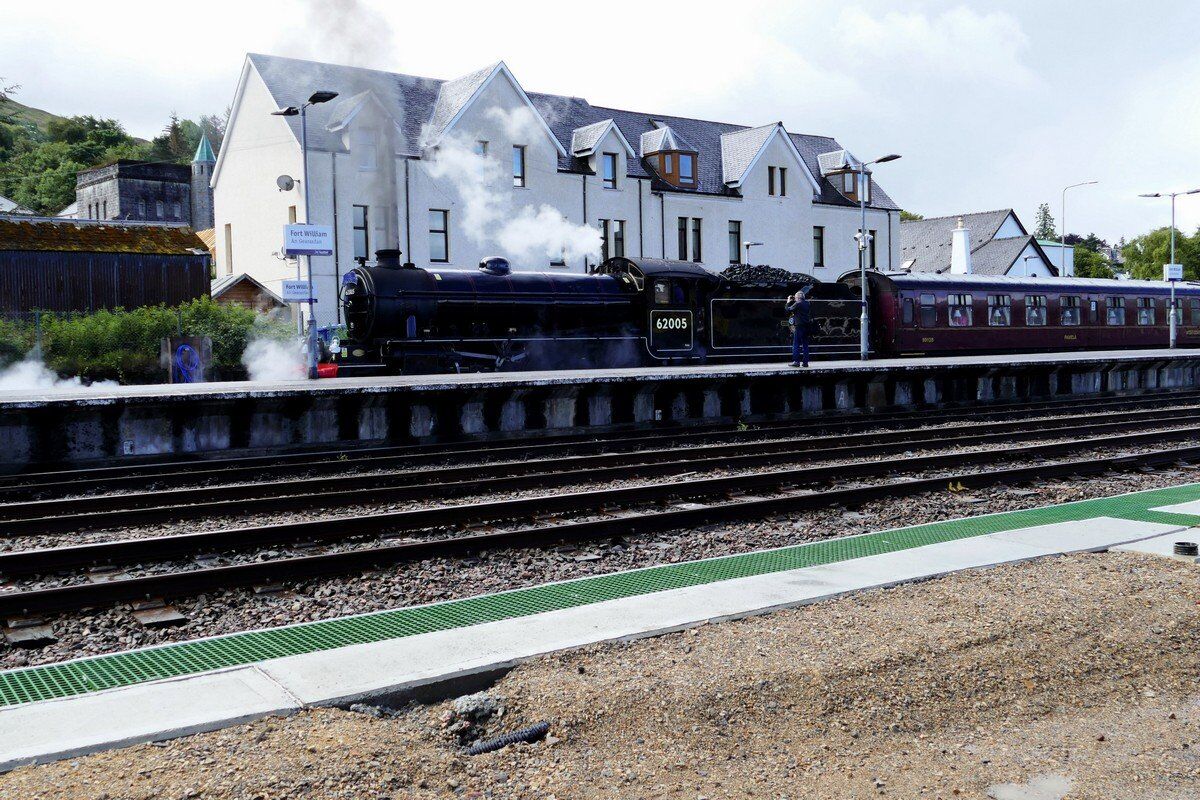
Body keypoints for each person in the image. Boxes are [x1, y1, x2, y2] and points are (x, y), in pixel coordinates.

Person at [786, 290, 811, 367]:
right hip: (807, 326)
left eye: (796, 297)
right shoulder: (807, 303)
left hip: (799, 326)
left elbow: (788, 309)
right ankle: (805, 362)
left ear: (798, 298)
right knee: (805, 344)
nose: (795, 299)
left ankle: (796, 361)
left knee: (796, 344)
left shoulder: (798, 303)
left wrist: (788, 301)